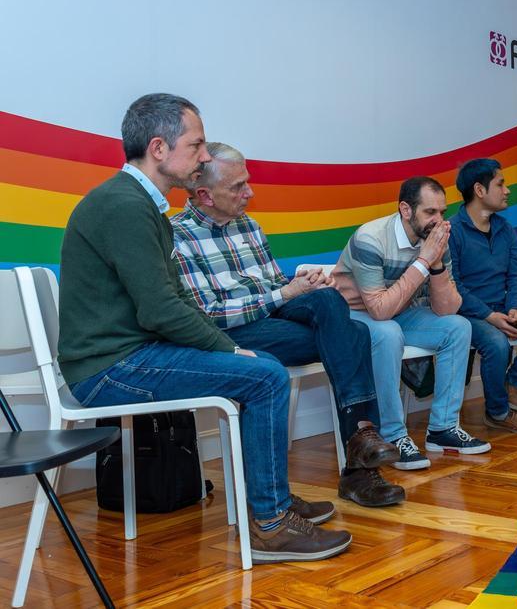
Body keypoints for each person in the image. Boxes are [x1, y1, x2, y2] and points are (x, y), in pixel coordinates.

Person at [58, 94, 351, 562]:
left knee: (264, 368)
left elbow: (174, 301)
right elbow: (160, 310)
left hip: (130, 355)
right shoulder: (124, 206)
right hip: (109, 369)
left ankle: (269, 500)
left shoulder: (142, 206)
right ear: (159, 148)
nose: (204, 156)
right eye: (195, 145)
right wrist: (229, 351)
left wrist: (225, 348)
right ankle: (271, 525)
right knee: (266, 376)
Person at [171, 142, 405, 508]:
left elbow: (273, 284)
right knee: (355, 334)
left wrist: (303, 285)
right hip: (231, 334)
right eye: (238, 186)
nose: (249, 193)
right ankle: (360, 460)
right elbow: (208, 315)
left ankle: (362, 443)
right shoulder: (178, 236)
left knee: (328, 300)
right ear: (205, 195)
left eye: (247, 182)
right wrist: (283, 294)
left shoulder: (249, 225)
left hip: (274, 318)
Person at [334, 176, 491, 470]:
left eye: (442, 212)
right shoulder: (371, 238)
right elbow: (379, 310)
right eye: (430, 212)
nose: (438, 220)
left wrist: (436, 263)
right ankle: (393, 436)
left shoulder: (435, 241)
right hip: (353, 315)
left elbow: (448, 309)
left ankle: (443, 429)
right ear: (406, 210)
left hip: (397, 311)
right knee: (388, 332)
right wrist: (422, 262)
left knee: (458, 327)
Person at [448, 158, 517, 433]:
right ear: (480, 190)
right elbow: (453, 286)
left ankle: (512, 383)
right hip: (467, 313)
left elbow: (516, 274)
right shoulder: (452, 231)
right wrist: (490, 316)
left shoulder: (505, 228)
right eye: (500, 184)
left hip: (503, 306)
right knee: (497, 343)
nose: (507, 190)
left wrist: (514, 307)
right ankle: (498, 412)